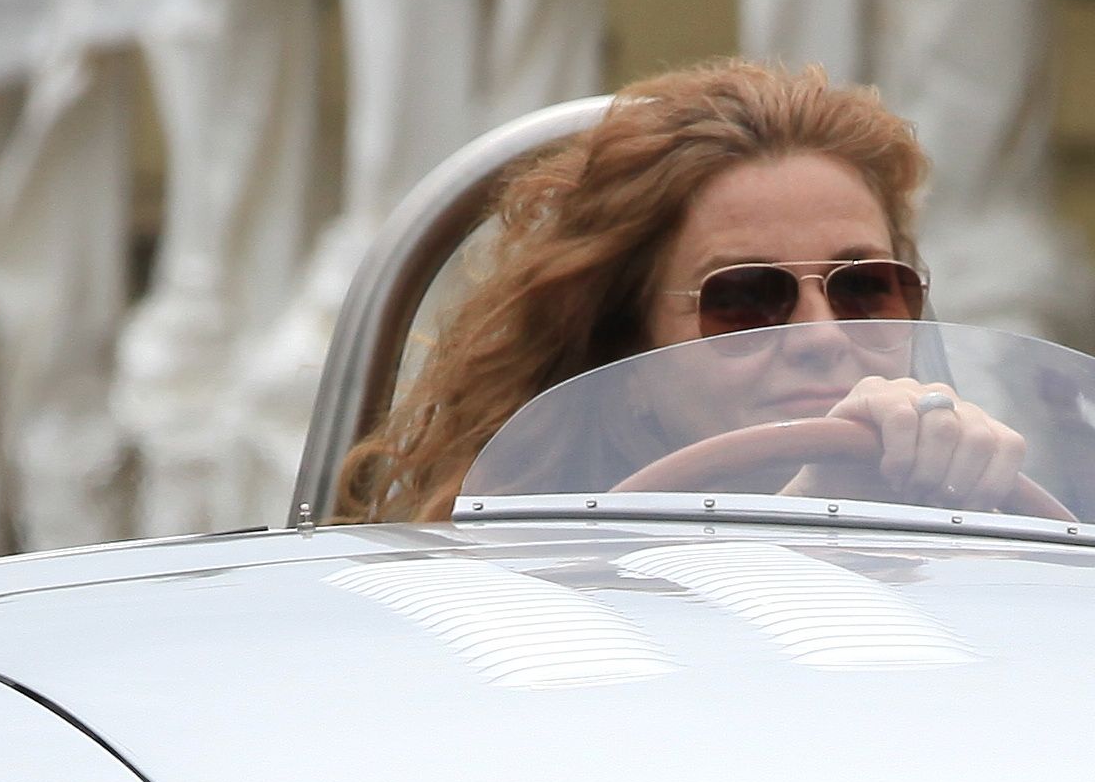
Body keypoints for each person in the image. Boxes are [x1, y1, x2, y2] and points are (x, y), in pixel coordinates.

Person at [342, 60, 1031, 520]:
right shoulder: (514, 589)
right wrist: (808, 526)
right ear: (625, 351)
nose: (822, 336)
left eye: (866, 289)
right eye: (747, 299)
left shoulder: (996, 564)